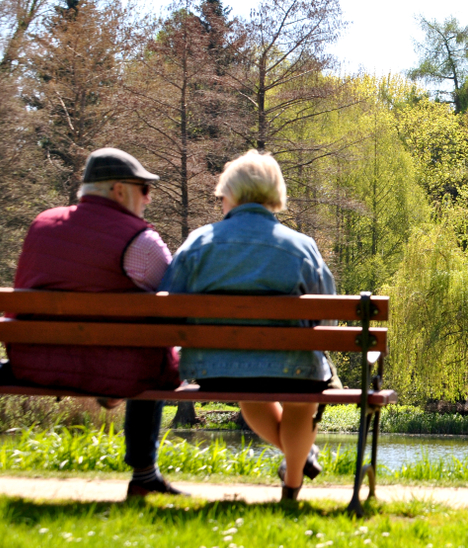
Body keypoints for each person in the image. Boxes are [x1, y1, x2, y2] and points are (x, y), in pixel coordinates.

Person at [160, 149, 339, 501]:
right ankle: (292, 484)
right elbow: (326, 318)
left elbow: (169, 304)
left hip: (217, 369)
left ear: (229, 195)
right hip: (294, 368)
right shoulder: (302, 247)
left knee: (250, 388)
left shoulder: (198, 242)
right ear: (275, 194)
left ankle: (298, 457)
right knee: (303, 397)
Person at [7, 148, 184, 498]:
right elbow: (174, 302)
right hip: (123, 371)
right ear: (120, 190)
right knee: (155, 352)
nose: (148, 199)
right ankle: (144, 473)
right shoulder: (141, 241)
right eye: (145, 189)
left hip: (35, 364)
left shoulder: (42, 225)